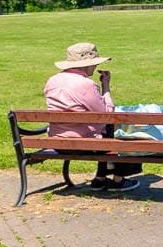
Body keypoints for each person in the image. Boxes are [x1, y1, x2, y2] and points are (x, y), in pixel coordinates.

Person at [44, 42, 141, 192]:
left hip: (58, 142)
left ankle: (100, 178)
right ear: (86, 65)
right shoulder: (86, 84)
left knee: (102, 131)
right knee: (116, 128)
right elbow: (107, 115)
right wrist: (106, 87)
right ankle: (118, 179)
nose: (95, 67)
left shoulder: (53, 80)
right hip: (84, 144)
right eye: (94, 64)